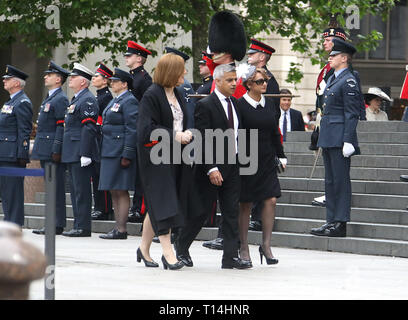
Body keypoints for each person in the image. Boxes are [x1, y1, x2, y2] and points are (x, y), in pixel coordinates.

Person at [176, 63, 252, 270]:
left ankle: (230, 257)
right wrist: (211, 168)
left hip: (233, 166)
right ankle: (181, 246)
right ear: (217, 81)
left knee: (230, 213)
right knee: (200, 212)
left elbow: (239, 136)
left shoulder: (235, 104)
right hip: (209, 168)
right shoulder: (206, 104)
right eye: (229, 80)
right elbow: (202, 139)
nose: (234, 84)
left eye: (235, 80)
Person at [137, 53, 193, 270]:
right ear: (171, 72)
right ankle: (168, 252)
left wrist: (186, 133)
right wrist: (175, 135)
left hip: (175, 156)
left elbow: (182, 120)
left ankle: (143, 247)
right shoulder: (151, 95)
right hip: (155, 156)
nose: (185, 73)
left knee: (158, 202)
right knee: (165, 202)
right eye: (182, 69)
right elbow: (146, 130)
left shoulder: (178, 93)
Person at [202, 10, 248, 250]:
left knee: (230, 199)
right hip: (218, 144)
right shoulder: (219, 73)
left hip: (230, 145)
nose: (212, 54)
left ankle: (228, 238)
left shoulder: (233, 78)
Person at [310, 38, 361, 238]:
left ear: (344, 57)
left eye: (333, 55)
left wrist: (348, 139)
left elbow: (352, 113)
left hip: (340, 138)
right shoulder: (333, 79)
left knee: (340, 181)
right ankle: (331, 220)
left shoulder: (348, 79)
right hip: (329, 136)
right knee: (330, 182)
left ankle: (340, 223)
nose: (329, 58)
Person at [238, 66, 287, 265]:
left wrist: (281, 155)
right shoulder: (239, 105)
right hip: (246, 159)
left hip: (267, 159)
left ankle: (266, 245)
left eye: (265, 81)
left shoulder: (269, 105)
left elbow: (275, 131)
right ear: (249, 84)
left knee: (271, 200)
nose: (264, 84)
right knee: (246, 204)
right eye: (259, 81)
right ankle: (243, 246)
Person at [98, 68, 138, 240]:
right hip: (109, 149)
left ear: (124, 84)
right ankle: (117, 227)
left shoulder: (129, 101)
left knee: (121, 190)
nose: (111, 83)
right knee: (114, 190)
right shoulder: (117, 100)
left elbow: (132, 128)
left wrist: (127, 153)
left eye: (115, 81)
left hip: (119, 151)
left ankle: (121, 228)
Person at [31, 61, 70, 235]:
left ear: (58, 79)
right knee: (50, 187)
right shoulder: (50, 97)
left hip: (52, 150)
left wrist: (56, 149)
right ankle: (51, 222)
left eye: (49, 74)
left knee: (56, 188)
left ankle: (57, 223)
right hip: (45, 148)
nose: (45, 76)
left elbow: (61, 126)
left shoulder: (60, 99)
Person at [61, 63, 99, 237]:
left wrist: (85, 152)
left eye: (74, 77)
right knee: (76, 190)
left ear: (83, 81)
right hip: (72, 150)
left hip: (80, 151)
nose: (71, 79)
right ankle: (78, 224)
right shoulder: (77, 98)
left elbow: (89, 128)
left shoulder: (87, 99)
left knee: (82, 191)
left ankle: (83, 226)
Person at [0, 65, 33, 227]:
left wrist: (22, 154)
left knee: (13, 192)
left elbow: (24, 131)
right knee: (6, 192)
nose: (4, 81)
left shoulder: (22, 102)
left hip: (13, 155)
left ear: (17, 83)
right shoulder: (12, 101)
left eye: (8, 79)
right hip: (5, 153)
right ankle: (9, 222)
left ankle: (14, 224)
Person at [124, 40, 152, 224]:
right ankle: (136, 207)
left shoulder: (143, 79)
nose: (126, 58)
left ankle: (140, 208)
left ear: (139, 59)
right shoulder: (134, 77)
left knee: (142, 174)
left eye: (130, 55)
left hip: (140, 128)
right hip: (133, 127)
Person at [91, 63, 114, 221]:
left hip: (101, 139)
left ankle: (104, 208)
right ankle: (99, 206)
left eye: (97, 76)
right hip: (95, 139)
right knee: (96, 175)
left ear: (105, 81)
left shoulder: (106, 97)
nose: (94, 78)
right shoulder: (99, 96)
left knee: (101, 175)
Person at [247, 38, 280, 113]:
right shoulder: (249, 75)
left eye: (252, 53)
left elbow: (273, 108)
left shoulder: (269, 79)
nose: (248, 55)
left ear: (262, 57)